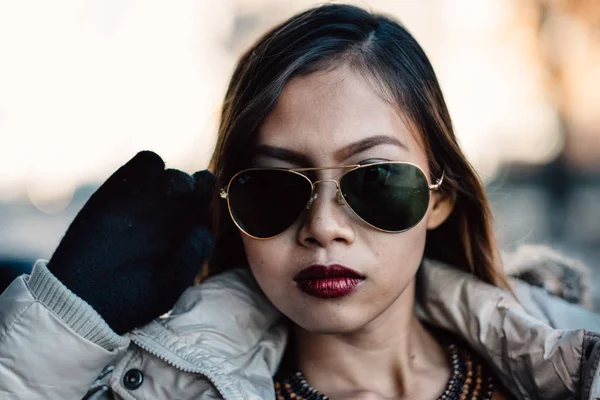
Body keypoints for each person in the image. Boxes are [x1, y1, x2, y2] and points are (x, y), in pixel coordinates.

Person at [1, 4, 599, 400]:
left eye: (374, 180)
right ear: (234, 210)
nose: (323, 227)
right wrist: (62, 327)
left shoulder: (575, 360)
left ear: (442, 198)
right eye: (274, 189)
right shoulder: (157, 387)